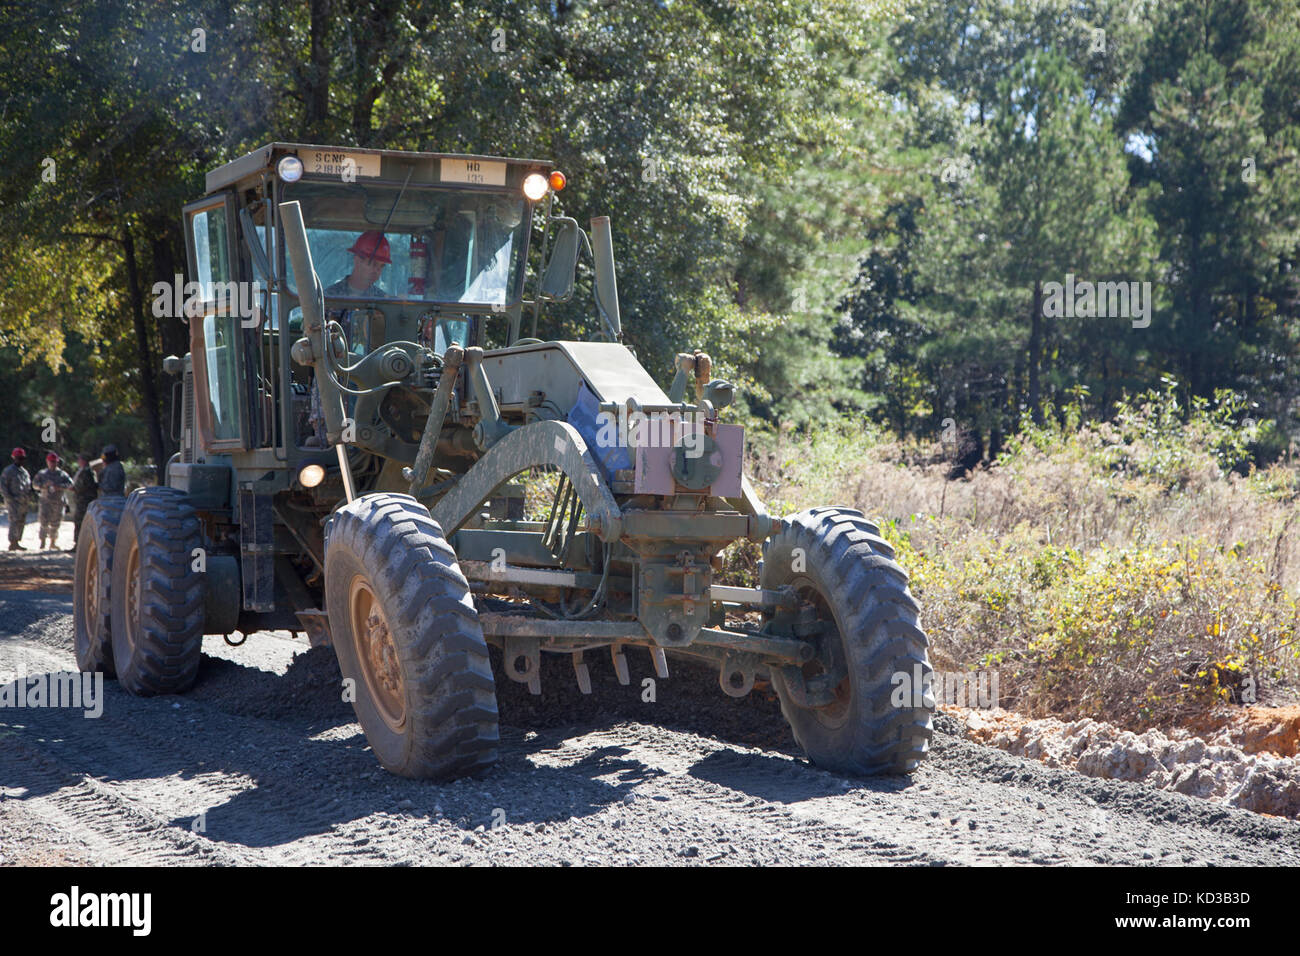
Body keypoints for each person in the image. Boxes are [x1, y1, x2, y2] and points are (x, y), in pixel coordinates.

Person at [325, 231, 391, 299]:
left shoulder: (383, 299)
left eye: (381, 266)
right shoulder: (329, 296)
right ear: (357, 260)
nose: (377, 271)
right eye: (373, 264)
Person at [32, 452, 72, 551]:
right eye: (51, 461)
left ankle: (53, 542)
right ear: (47, 462)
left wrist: (59, 487)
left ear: (57, 462)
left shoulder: (62, 474)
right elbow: (34, 485)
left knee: (56, 522)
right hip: (45, 502)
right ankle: (42, 542)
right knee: (43, 522)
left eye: (54, 462)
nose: (52, 463)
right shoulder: (42, 474)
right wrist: (43, 485)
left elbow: (70, 484)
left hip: (58, 502)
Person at [1, 447, 32, 551]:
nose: (20, 460)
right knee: (14, 521)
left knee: (21, 521)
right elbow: (3, 486)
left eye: (22, 458)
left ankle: (17, 541)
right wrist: (9, 498)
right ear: (14, 458)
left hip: (23, 502)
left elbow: (28, 486)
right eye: (18, 458)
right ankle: (12, 542)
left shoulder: (24, 472)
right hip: (13, 502)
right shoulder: (8, 471)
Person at [71, 452, 97, 549]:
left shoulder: (86, 472)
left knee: (80, 522)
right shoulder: (86, 471)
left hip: (84, 502)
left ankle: (79, 545)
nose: (78, 461)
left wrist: (73, 488)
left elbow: (82, 486)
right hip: (82, 501)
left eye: (80, 459)